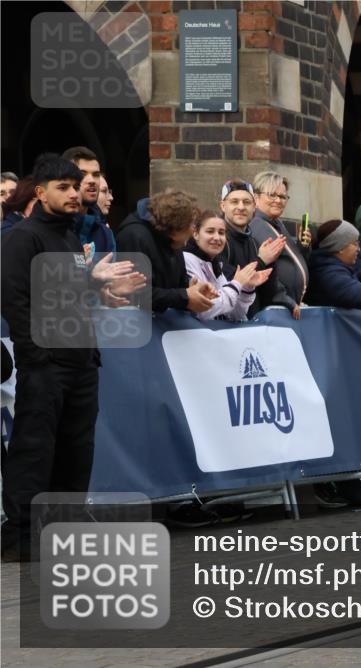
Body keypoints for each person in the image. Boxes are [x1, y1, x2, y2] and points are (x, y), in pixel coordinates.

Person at [0, 155, 145, 561]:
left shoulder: (69, 238)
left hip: (81, 361)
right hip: (47, 365)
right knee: (34, 450)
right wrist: (38, 356)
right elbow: (14, 299)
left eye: (74, 186)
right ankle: (22, 537)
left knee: (76, 451)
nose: (73, 194)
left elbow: (64, 292)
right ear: (40, 191)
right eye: (62, 187)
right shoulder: (22, 238)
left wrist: (99, 292)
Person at [117, 190, 218, 314]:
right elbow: (139, 295)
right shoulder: (134, 237)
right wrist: (185, 297)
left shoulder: (174, 240)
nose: (193, 231)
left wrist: (192, 288)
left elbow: (176, 284)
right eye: (190, 226)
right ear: (173, 231)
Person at [216, 178, 299, 318]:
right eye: (234, 201)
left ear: (254, 207)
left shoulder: (254, 242)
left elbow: (268, 291)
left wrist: (289, 302)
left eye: (246, 202)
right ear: (223, 206)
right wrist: (261, 261)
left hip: (252, 327)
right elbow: (231, 283)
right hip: (223, 328)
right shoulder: (217, 241)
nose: (241, 207)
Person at [184, 210, 272, 321]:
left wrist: (246, 288)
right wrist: (236, 284)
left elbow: (236, 315)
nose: (217, 238)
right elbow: (203, 310)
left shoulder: (216, 265)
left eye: (221, 233)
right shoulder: (186, 260)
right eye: (210, 231)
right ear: (195, 233)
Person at [250, 171, 310, 308]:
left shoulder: (276, 223)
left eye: (283, 196)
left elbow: (293, 261)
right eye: (272, 195)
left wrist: (303, 246)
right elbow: (267, 271)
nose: (278, 200)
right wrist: (285, 300)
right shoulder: (255, 224)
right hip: (275, 307)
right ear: (256, 197)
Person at [61, 146, 116, 258]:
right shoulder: (49, 229)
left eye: (96, 175)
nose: (91, 180)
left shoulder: (105, 233)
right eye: (82, 174)